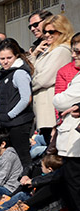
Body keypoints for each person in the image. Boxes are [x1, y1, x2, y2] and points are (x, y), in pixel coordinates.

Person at [51, 31, 80, 211]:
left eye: (78, 52)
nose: (74, 56)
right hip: (71, 138)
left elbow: (60, 100)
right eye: (73, 51)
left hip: (75, 140)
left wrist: (68, 100)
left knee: (75, 180)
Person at [31, 14, 74, 146]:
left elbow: (44, 79)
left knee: (52, 149)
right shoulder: (49, 50)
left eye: (51, 32)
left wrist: (29, 84)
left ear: (62, 31)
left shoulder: (62, 51)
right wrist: (34, 54)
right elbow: (32, 71)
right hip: (43, 110)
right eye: (45, 31)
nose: (47, 35)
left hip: (50, 109)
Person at [0, 38, 35, 172]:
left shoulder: (19, 73)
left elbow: (25, 98)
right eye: (2, 58)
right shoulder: (5, 73)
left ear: (16, 55)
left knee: (23, 157)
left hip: (19, 123)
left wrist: (10, 115)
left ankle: (29, 185)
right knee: (12, 159)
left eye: (9, 58)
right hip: (8, 123)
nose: (5, 61)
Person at [0, 153, 64, 211]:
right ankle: (1, 207)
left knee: (22, 197)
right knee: (22, 194)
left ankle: (1, 210)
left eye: (42, 166)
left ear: (50, 169)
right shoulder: (48, 174)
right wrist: (27, 178)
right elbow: (33, 166)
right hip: (36, 202)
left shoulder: (56, 181)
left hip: (44, 207)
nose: (41, 168)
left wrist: (33, 182)